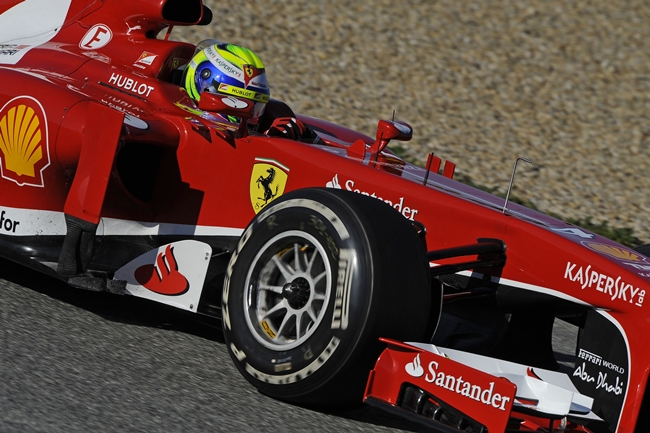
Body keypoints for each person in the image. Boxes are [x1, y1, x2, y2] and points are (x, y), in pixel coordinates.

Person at [182, 40, 315, 141]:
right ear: (202, 85)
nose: (250, 113)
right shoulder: (177, 126)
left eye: (257, 104)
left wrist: (310, 139)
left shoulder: (277, 127)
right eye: (234, 101)